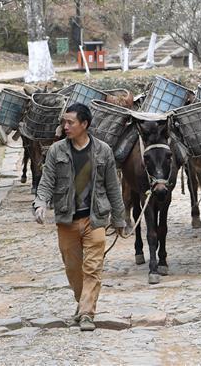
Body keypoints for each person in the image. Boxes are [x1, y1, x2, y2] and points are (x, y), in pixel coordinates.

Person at [32, 103, 127, 331]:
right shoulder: (57, 151)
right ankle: (82, 301)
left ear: (84, 124)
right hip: (67, 219)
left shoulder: (103, 151)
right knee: (73, 269)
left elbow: (113, 186)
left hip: (95, 219)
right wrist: (40, 204)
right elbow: (47, 182)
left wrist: (119, 218)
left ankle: (86, 314)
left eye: (70, 122)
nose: (65, 126)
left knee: (92, 268)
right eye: (64, 122)